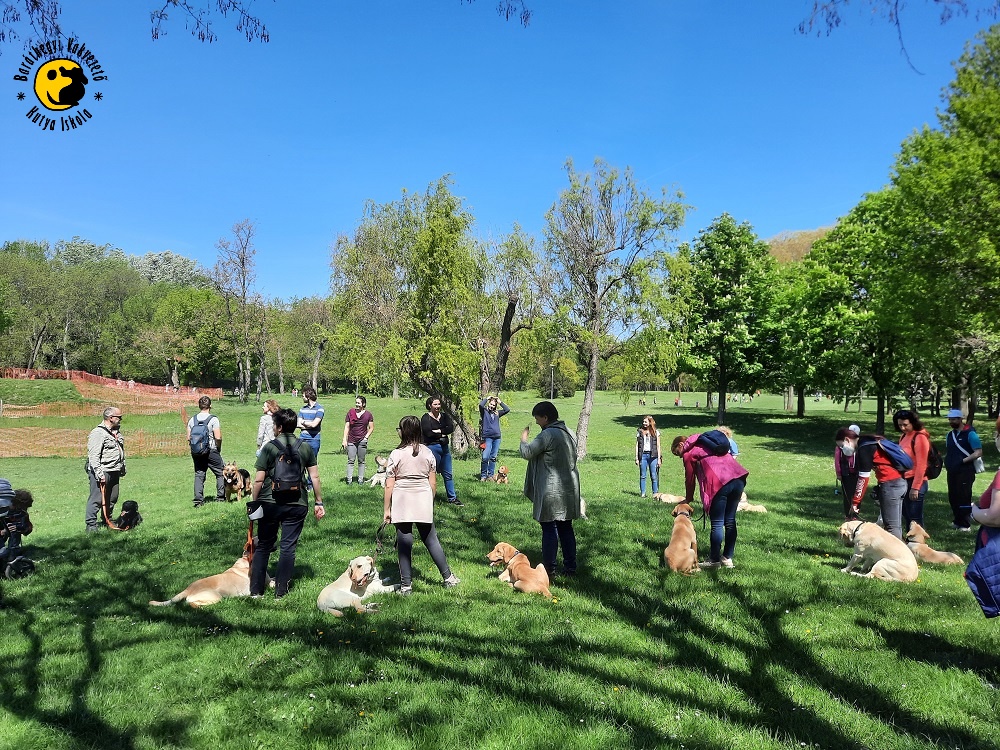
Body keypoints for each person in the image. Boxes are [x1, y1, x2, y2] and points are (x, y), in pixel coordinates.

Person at [249, 408, 325, 598]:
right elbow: (314, 477)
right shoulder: (305, 447)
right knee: (288, 546)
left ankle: (256, 591)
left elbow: (258, 480)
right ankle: (280, 592)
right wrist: (318, 502)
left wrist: (254, 501)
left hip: (270, 502)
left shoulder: (269, 447)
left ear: (280, 427)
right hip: (297, 503)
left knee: (265, 544)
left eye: (275, 425)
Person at [383, 416, 461, 594]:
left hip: (402, 499)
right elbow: (433, 483)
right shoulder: (427, 453)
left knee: (404, 542)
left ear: (404, 432)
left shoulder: (396, 454)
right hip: (422, 498)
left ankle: (406, 585)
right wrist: (429, 501)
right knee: (431, 540)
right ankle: (448, 577)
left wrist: (387, 509)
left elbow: (389, 485)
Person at [519, 401, 582, 577]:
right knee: (565, 527)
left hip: (552, 489)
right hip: (569, 487)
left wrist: (524, 439)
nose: (537, 422)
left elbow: (528, 452)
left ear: (545, 417)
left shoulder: (547, 435)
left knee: (549, 527)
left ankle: (549, 569)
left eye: (538, 419)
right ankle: (570, 568)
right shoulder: (568, 432)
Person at [671, 433, 749, 568]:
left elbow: (690, 480)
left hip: (720, 482)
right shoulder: (707, 444)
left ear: (681, 445)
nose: (680, 456)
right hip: (738, 478)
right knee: (730, 520)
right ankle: (727, 558)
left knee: (717, 522)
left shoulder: (688, 453)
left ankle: (714, 560)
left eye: (677, 454)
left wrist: (688, 499)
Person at [835, 427, 907, 539]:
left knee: (891, 526)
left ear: (847, 440)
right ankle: (900, 552)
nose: (842, 449)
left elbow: (863, 479)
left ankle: (896, 554)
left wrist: (855, 503)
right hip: (900, 483)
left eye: (842, 446)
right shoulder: (869, 442)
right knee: (895, 525)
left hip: (890, 485)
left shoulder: (864, 448)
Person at [85, 406, 125, 531]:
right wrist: (99, 473)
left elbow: (120, 451)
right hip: (102, 471)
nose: (121, 419)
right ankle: (91, 525)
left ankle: (107, 520)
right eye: (119, 417)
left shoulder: (116, 432)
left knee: (112, 498)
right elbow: (94, 456)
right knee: (96, 499)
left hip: (114, 470)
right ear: (111, 418)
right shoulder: (98, 433)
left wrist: (122, 467)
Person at [944, 408, 982, 532]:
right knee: (953, 496)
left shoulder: (970, 433)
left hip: (966, 470)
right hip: (953, 470)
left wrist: (962, 461)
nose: (951, 421)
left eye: (954, 419)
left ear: (961, 419)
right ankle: (957, 520)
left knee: (964, 496)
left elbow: (978, 452)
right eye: (950, 419)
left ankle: (965, 524)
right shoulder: (950, 435)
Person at [421, 396, 462, 506]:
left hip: (444, 448)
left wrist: (438, 431)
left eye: (439, 404)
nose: (438, 406)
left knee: (448, 473)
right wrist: (442, 433)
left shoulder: (444, 416)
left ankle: (452, 498)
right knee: (430, 474)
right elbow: (428, 433)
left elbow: (451, 428)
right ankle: (429, 498)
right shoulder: (426, 418)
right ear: (430, 405)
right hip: (432, 448)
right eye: (435, 404)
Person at [894, 409, 931, 530]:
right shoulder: (903, 436)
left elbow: (922, 465)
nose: (903, 428)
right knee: (907, 515)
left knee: (915, 519)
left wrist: (915, 488)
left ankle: (919, 544)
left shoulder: (920, 437)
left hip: (917, 482)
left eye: (905, 425)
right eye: (900, 425)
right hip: (905, 480)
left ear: (913, 423)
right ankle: (910, 542)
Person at [187, 396, 224, 508]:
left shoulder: (192, 419)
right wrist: (218, 448)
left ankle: (198, 501)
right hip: (211, 450)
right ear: (210, 406)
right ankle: (220, 498)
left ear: (199, 406)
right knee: (220, 472)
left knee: (199, 474)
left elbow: (189, 438)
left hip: (196, 452)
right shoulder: (213, 419)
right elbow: (218, 437)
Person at [342, 395, 374, 485]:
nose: (357, 404)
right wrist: (344, 439)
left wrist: (366, 437)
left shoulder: (368, 415)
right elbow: (347, 426)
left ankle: (360, 480)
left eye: (358, 403)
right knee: (350, 460)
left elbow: (371, 427)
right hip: (351, 440)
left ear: (363, 404)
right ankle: (349, 480)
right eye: (356, 402)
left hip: (362, 441)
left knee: (361, 461)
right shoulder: (351, 412)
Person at [298, 387, 325, 490]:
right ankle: (301, 483)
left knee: (312, 462)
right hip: (302, 438)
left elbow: (315, 424)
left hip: (314, 439)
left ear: (308, 396)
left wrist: (304, 423)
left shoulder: (320, 409)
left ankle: (310, 485)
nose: (302, 397)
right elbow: (298, 424)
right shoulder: (302, 409)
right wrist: (308, 424)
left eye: (303, 395)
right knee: (300, 462)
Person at [479, 395, 510, 481]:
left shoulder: (497, 413)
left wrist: (500, 402)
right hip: (487, 437)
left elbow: (507, 410)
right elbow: (481, 405)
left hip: (497, 438)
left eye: (493, 405)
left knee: (493, 457)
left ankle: (490, 475)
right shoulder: (484, 411)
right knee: (485, 457)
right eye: (491, 404)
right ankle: (483, 475)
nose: (492, 406)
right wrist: (487, 398)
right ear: (488, 404)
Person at [834, 424, 861, 517]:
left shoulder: (858, 447)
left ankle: (856, 514)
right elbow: (837, 460)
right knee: (847, 495)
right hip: (846, 473)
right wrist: (839, 473)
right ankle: (848, 514)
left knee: (857, 494)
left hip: (857, 474)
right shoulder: (839, 448)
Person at [635, 415, 661, 497]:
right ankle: (643, 493)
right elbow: (637, 445)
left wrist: (659, 458)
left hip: (653, 456)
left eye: (646, 422)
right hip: (643, 456)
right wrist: (636, 458)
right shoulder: (640, 432)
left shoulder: (656, 432)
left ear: (650, 422)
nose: (644, 423)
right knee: (643, 475)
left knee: (654, 476)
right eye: (643, 422)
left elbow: (658, 446)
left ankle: (655, 494)